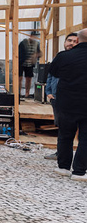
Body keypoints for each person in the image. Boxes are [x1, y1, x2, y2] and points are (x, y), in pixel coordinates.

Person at [48, 28, 87, 181]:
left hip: (66, 101)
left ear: (77, 40)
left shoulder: (63, 56)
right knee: (85, 138)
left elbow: (54, 72)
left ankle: (63, 167)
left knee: (65, 135)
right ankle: (79, 171)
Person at [44, 32, 78, 161]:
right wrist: (48, 91)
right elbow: (50, 75)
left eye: (75, 41)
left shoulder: (80, 59)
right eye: (69, 40)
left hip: (74, 98)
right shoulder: (59, 57)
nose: (71, 43)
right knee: (62, 127)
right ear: (65, 42)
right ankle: (61, 153)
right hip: (57, 98)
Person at [18, 32, 41, 98]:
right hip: (21, 63)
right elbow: (19, 52)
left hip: (30, 63)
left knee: (29, 78)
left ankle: (27, 93)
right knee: (19, 78)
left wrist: (36, 56)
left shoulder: (36, 44)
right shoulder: (23, 43)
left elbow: (39, 53)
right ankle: (18, 93)